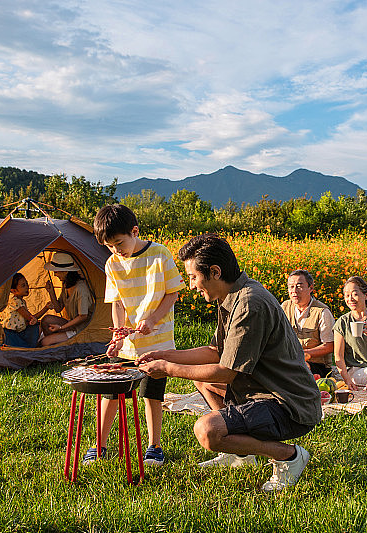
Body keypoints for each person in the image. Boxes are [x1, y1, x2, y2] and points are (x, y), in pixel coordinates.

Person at [137, 234, 321, 492]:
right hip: (261, 390)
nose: (191, 286)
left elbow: (227, 372)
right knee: (201, 378)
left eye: (192, 277)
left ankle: (289, 456)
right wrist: (165, 355)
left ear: (214, 272)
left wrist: (168, 369)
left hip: (288, 404)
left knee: (207, 431)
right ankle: (242, 456)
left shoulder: (249, 303)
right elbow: (214, 351)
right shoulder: (233, 296)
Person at [85, 204, 184, 467]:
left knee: (152, 393)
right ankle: (100, 444)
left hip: (158, 339)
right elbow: (116, 303)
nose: (115, 249)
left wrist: (152, 320)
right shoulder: (112, 264)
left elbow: (172, 293)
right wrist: (118, 336)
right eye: (109, 245)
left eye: (118, 242)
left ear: (135, 231)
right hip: (128, 343)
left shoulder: (159, 254)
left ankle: (154, 446)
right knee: (113, 393)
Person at [280, 269, 336, 377]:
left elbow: (329, 346)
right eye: (291, 287)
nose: (294, 291)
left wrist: (306, 354)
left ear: (311, 288)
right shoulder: (285, 307)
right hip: (291, 361)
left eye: (299, 286)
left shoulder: (322, 312)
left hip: (317, 365)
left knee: (301, 368)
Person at [39, 252, 94, 347]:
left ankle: (57, 342)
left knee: (44, 342)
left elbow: (83, 316)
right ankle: (57, 340)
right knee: (46, 320)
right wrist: (51, 292)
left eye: (56, 271)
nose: (55, 274)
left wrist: (61, 328)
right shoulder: (66, 285)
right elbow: (58, 308)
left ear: (66, 271)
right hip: (72, 324)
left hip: (82, 328)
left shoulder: (81, 289)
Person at [0, 272, 51, 348]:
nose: (27, 287)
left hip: (18, 332)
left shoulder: (22, 301)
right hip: (10, 334)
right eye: (23, 286)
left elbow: (26, 321)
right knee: (36, 327)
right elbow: (30, 318)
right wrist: (46, 308)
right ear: (13, 291)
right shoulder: (16, 302)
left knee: (37, 325)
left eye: (27, 284)